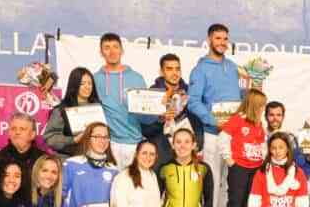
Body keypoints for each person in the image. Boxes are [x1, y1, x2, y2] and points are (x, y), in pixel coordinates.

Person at [187, 23, 244, 207]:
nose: (222, 42)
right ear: (209, 39)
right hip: (212, 134)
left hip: (234, 136)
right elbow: (193, 102)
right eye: (218, 38)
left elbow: (239, 100)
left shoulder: (232, 67)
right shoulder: (200, 69)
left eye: (225, 39)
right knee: (212, 182)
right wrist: (213, 120)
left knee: (232, 184)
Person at [93, 32, 150, 169]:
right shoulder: (95, 79)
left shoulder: (137, 78)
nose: (112, 51)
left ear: (122, 50)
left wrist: (158, 115)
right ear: (101, 52)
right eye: (107, 48)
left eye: (115, 47)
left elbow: (147, 113)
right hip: (108, 143)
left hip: (134, 142)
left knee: (134, 187)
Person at [141, 52, 203, 168]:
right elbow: (145, 130)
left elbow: (198, 123)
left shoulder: (190, 92)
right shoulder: (152, 94)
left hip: (186, 154)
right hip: (161, 155)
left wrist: (198, 144)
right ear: (161, 71)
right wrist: (160, 119)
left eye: (177, 69)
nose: (174, 73)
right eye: (169, 69)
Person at [220, 88, 267, 207]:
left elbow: (262, 145)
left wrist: (263, 163)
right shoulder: (238, 120)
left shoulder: (259, 124)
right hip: (239, 167)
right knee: (236, 199)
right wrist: (229, 159)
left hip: (255, 168)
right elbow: (223, 138)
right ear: (253, 105)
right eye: (261, 106)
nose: (263, 109)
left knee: (252, 200)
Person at [0, 112, 45, 205]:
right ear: (9, 133)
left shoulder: (44, 160)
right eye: (13, 129)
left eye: (22, 129)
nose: (17, 132)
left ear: (32, 134)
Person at [44, 67, 101, 157]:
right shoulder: (61, 110)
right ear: (74, 85)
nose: (87, 87)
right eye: (82, 83)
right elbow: (50, 138)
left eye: (90, 83)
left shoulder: (99, 108)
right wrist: (73, 139)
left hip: (94, 159)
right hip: (68, 160)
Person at [264, 101, 310, 181]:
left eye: (278, 115)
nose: (275, 118)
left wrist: (308, 158)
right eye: (271, 115)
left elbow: (300, 162)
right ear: (266, 116)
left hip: (288, 181)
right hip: (265, 180)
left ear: (283, 117)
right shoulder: (260, 136)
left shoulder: (291, 137)